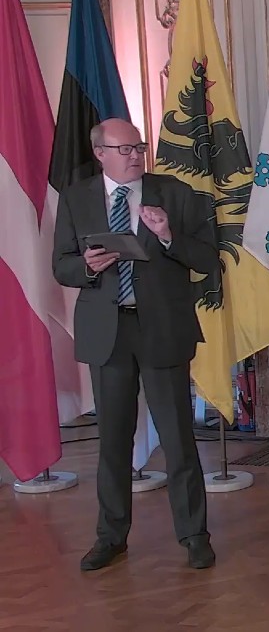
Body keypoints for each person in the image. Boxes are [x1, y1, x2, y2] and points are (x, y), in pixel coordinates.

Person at [52, 118, 220, 571]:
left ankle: (193, 535)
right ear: (100, 152)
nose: (134, 156)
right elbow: (61, 265)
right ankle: (111, 536)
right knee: (113, 441)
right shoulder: (77, 198)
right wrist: (87, 266)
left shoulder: (174, 192)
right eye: (124, 149)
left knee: (178, 438)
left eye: (138, 147)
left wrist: (167, 235)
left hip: (162, 328)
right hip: (108, 332)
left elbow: (207, 259)